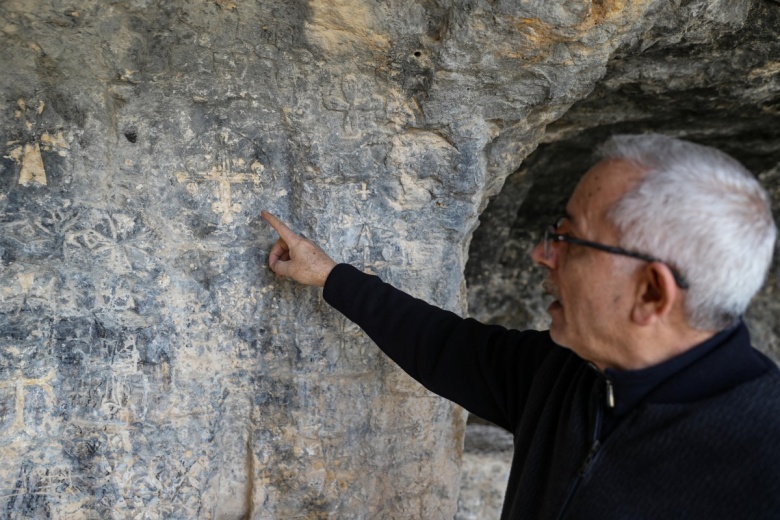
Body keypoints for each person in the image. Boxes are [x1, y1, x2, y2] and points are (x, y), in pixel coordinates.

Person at [261, 134, 780, 519]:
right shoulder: (571, 374)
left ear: (651, 292)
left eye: (569, 240)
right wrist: (330, 275)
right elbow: (445, 347)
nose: (540, 253)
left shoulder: (763, 465)